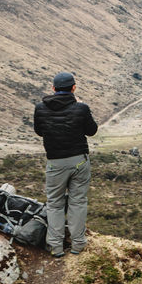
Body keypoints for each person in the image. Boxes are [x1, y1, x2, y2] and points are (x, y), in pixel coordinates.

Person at [33, 71, 96, 257]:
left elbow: (39, 131)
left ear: (53, 89)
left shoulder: (40, 108)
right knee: (78, 202)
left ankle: (55, 246)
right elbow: (92, 131)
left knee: (54, 204)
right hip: (79, 161)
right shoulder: (81, 108)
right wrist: (80, 109)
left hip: (55, 162)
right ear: (74, 88)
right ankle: (78, 245)